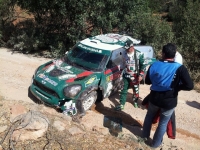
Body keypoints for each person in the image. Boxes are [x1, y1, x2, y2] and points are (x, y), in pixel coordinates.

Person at [142, 43, 193, 148]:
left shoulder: (154, 65)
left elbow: (147, 81)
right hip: (169, 101)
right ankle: (155, 145)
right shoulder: (180, 68)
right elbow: (190, 86)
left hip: (154, 98)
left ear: (163, 53)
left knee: (149, 117)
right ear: (174, 55)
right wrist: (177, 87)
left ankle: (143, 138)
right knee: (163, 123)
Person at [115, 39, 146, 111]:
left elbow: (143, 66)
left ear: (132, 47)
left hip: (135, 76)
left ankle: (135, 101)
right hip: (126, 75)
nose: (126, 50)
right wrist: (120, 71)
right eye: (125, 48)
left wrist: (141, 75)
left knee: (136, 90)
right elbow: (122, 63)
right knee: (123, 89)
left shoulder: (139, 54)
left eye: (127, 48)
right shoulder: (123, 53)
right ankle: (122, 104)